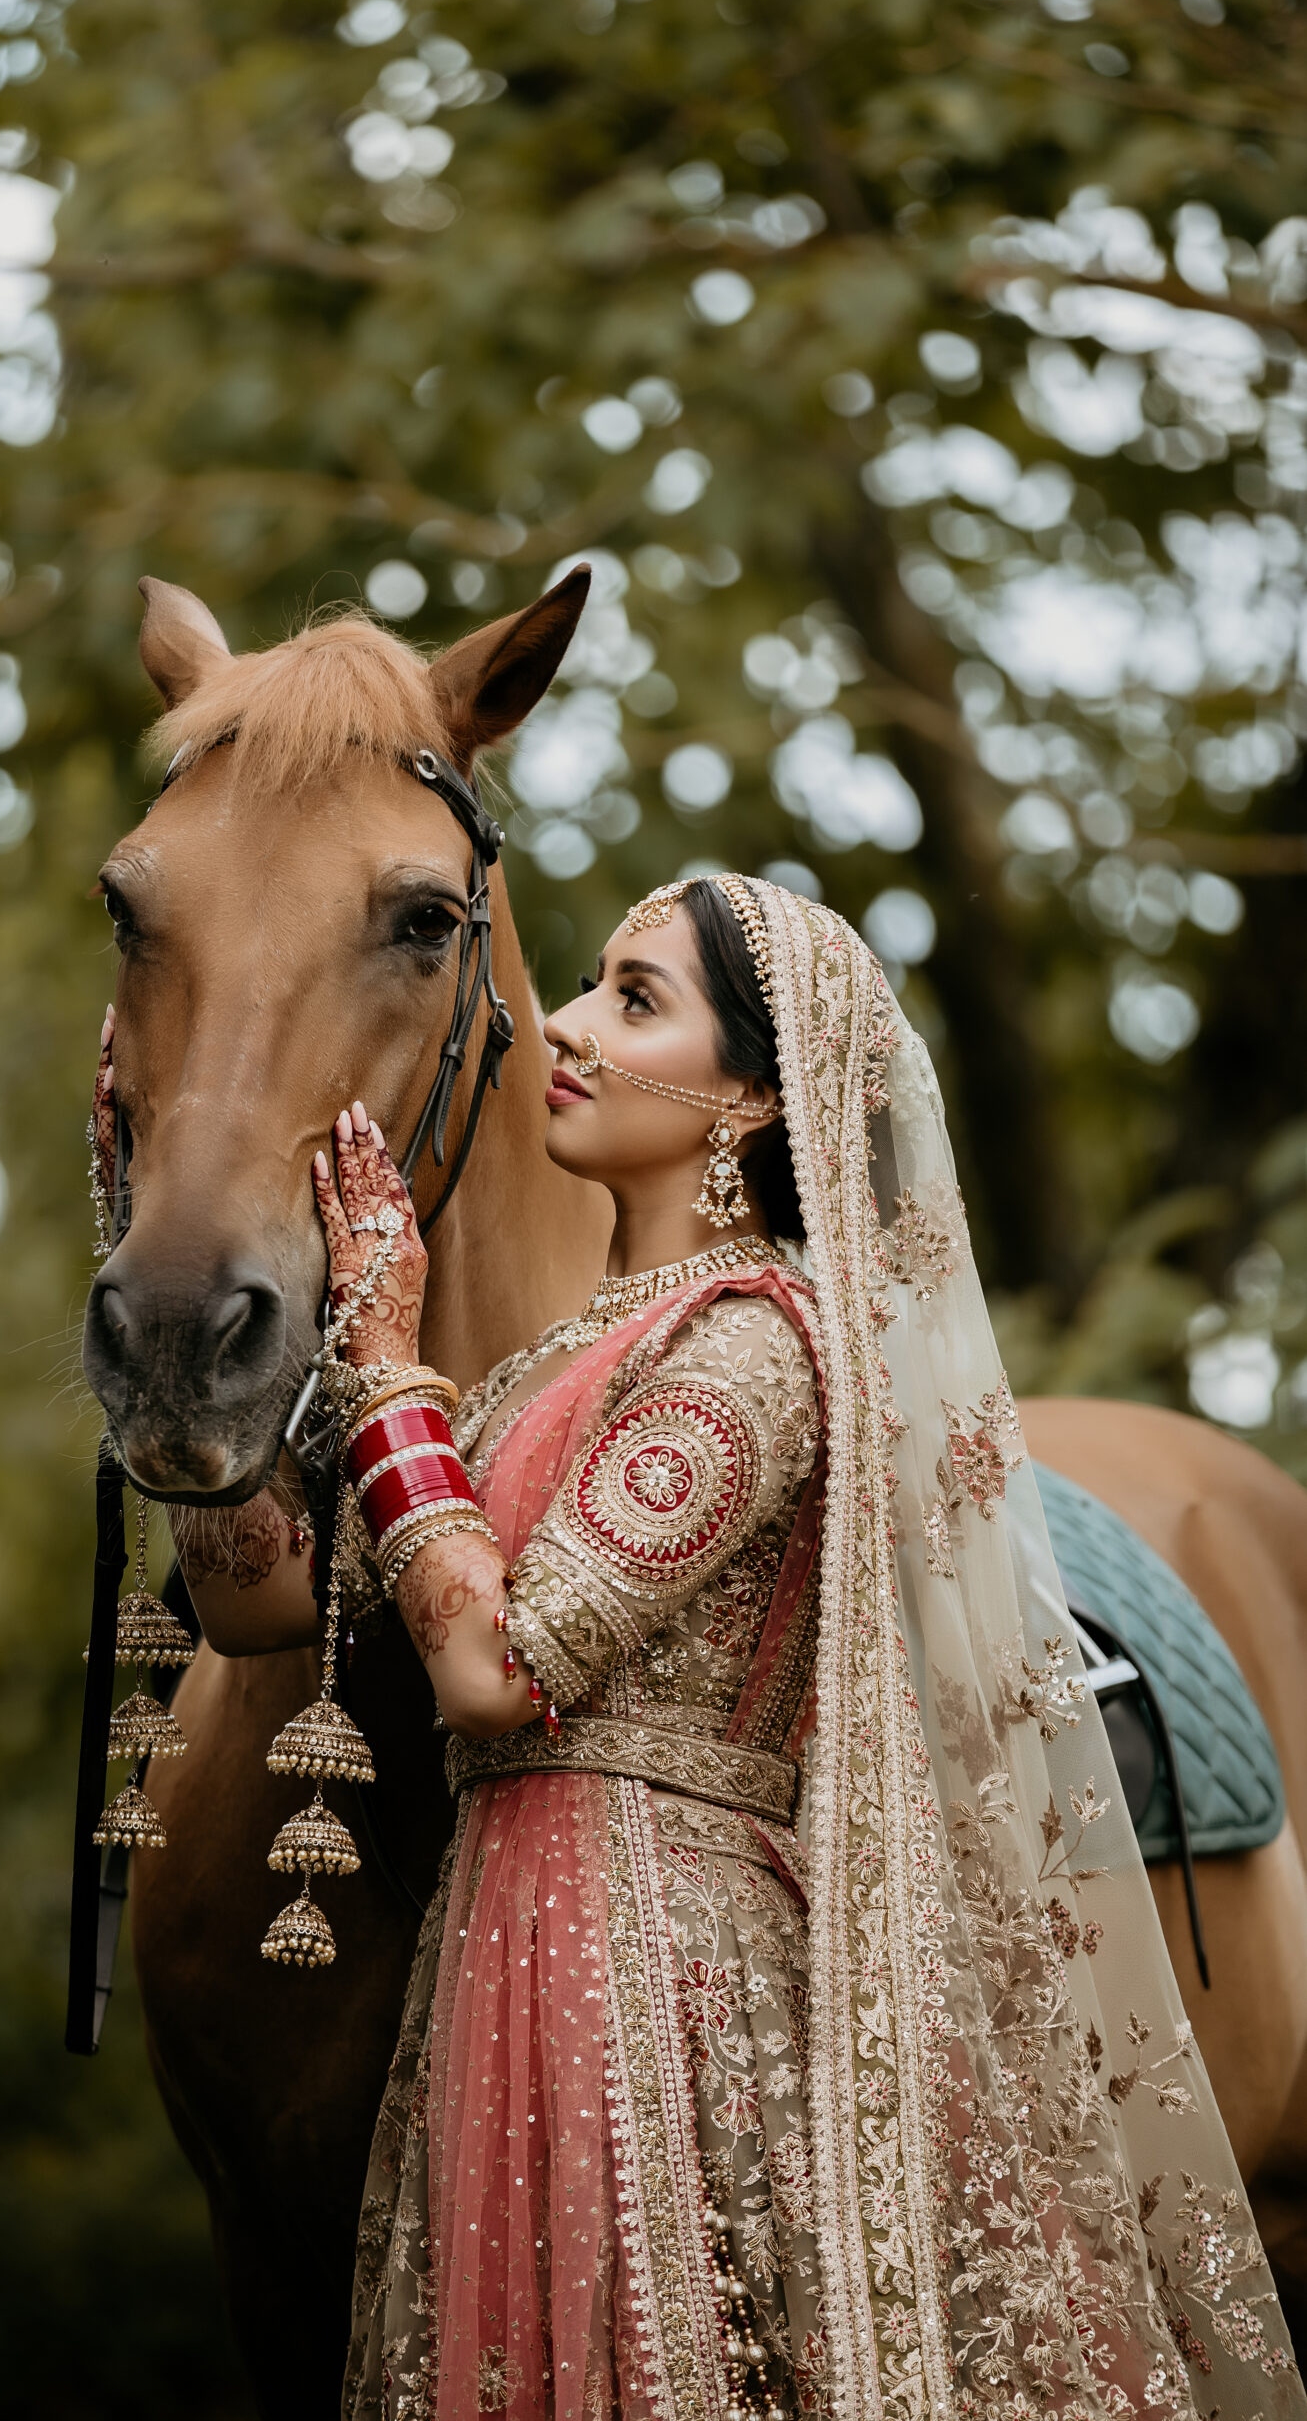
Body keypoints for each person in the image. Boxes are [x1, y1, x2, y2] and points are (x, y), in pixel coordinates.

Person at [215, 874, 1305, 2421]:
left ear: (746, 1099)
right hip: (515, 1928)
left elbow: (495, 1672)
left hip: (653, 1960)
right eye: (588, 986)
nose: (566, 1027)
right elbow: (267, 1607)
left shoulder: (756, 1349)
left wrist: (391, 1369)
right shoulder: (552, 1364)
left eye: (635, 1001)